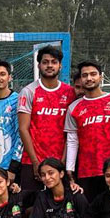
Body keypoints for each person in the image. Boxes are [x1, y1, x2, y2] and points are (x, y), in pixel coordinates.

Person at [65, 60, 110, 202]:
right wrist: (70, 168)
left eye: (93, 74)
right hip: (87, 170)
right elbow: (72, 140)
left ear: (101, 77)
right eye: (85, 75)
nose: (89, 78)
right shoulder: (74, 108)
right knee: (90, 209)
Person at [18, 45, 76, 191]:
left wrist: (63, 161)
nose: (49, 65)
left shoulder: (69, 93)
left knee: (62, 202)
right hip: (32, 161)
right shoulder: (28, 91)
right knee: (31, 203)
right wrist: (35, 161)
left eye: (54, 62)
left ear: (60, 65)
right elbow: (23, 129)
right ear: (39, 65)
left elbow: (71, 132)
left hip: (59, 162)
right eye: (45, 62)